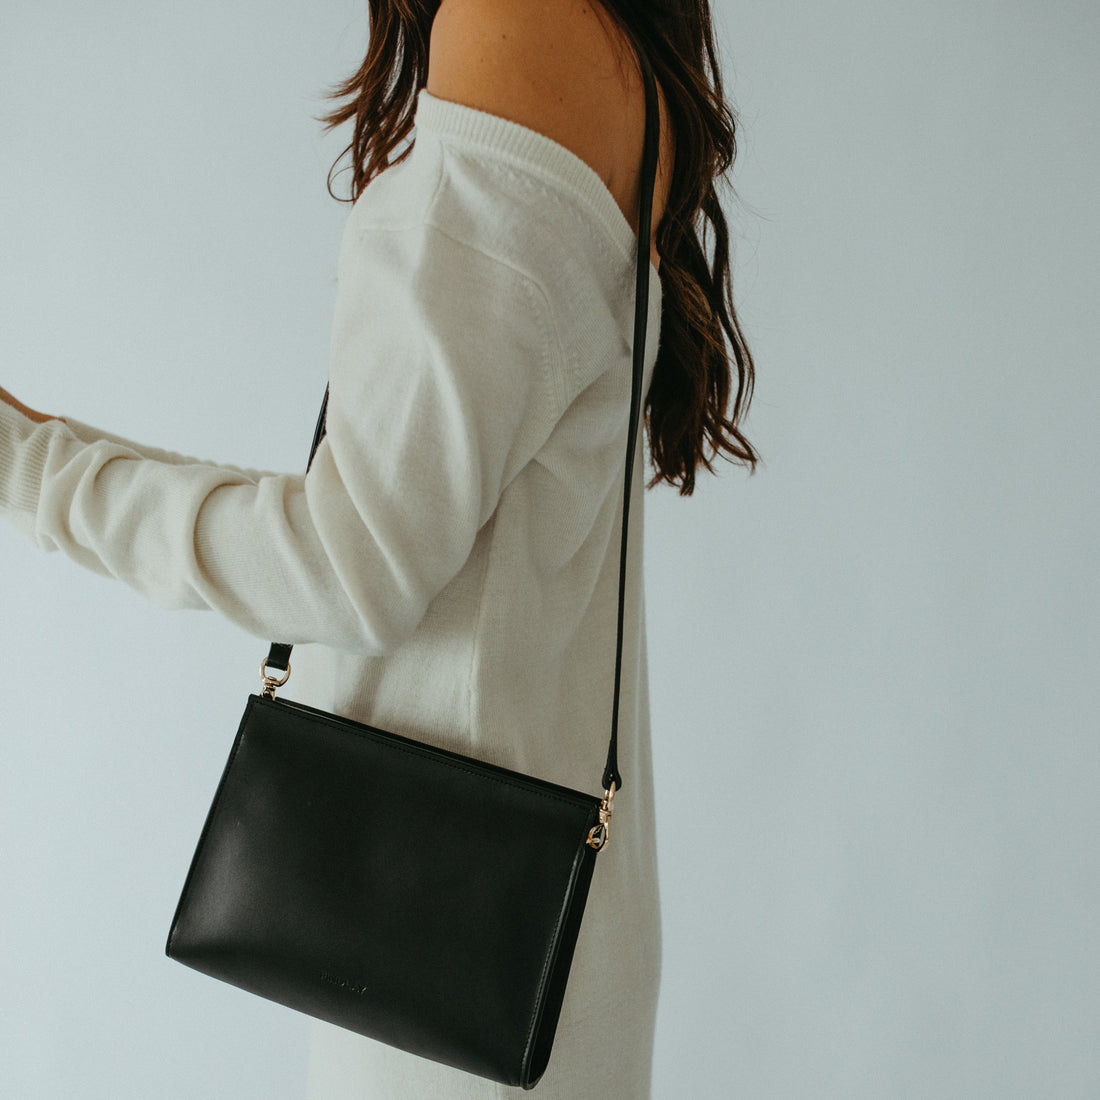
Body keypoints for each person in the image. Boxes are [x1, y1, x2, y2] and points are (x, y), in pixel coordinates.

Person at [0, 0, 758, 1095]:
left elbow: (348, 563)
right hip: (501, 945)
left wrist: (29, 468)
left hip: (448, 965)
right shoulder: (586, 32)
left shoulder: (516, 23)